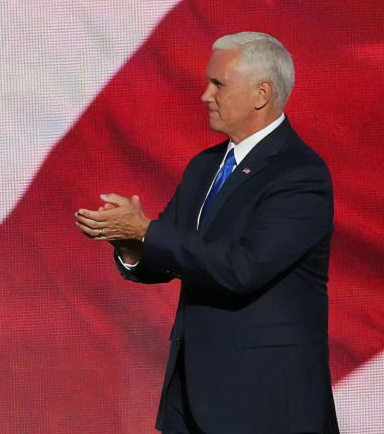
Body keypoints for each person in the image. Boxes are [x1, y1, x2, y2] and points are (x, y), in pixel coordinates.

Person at [75, 32, 339, 434]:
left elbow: (243, 268)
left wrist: (148, 230)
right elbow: (171, 256)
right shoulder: (205, 166)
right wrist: (130, 241)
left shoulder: (299, 174)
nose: (205, 95)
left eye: (218, 84)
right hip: (191, 398)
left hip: (266, 406)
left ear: (260, 94)